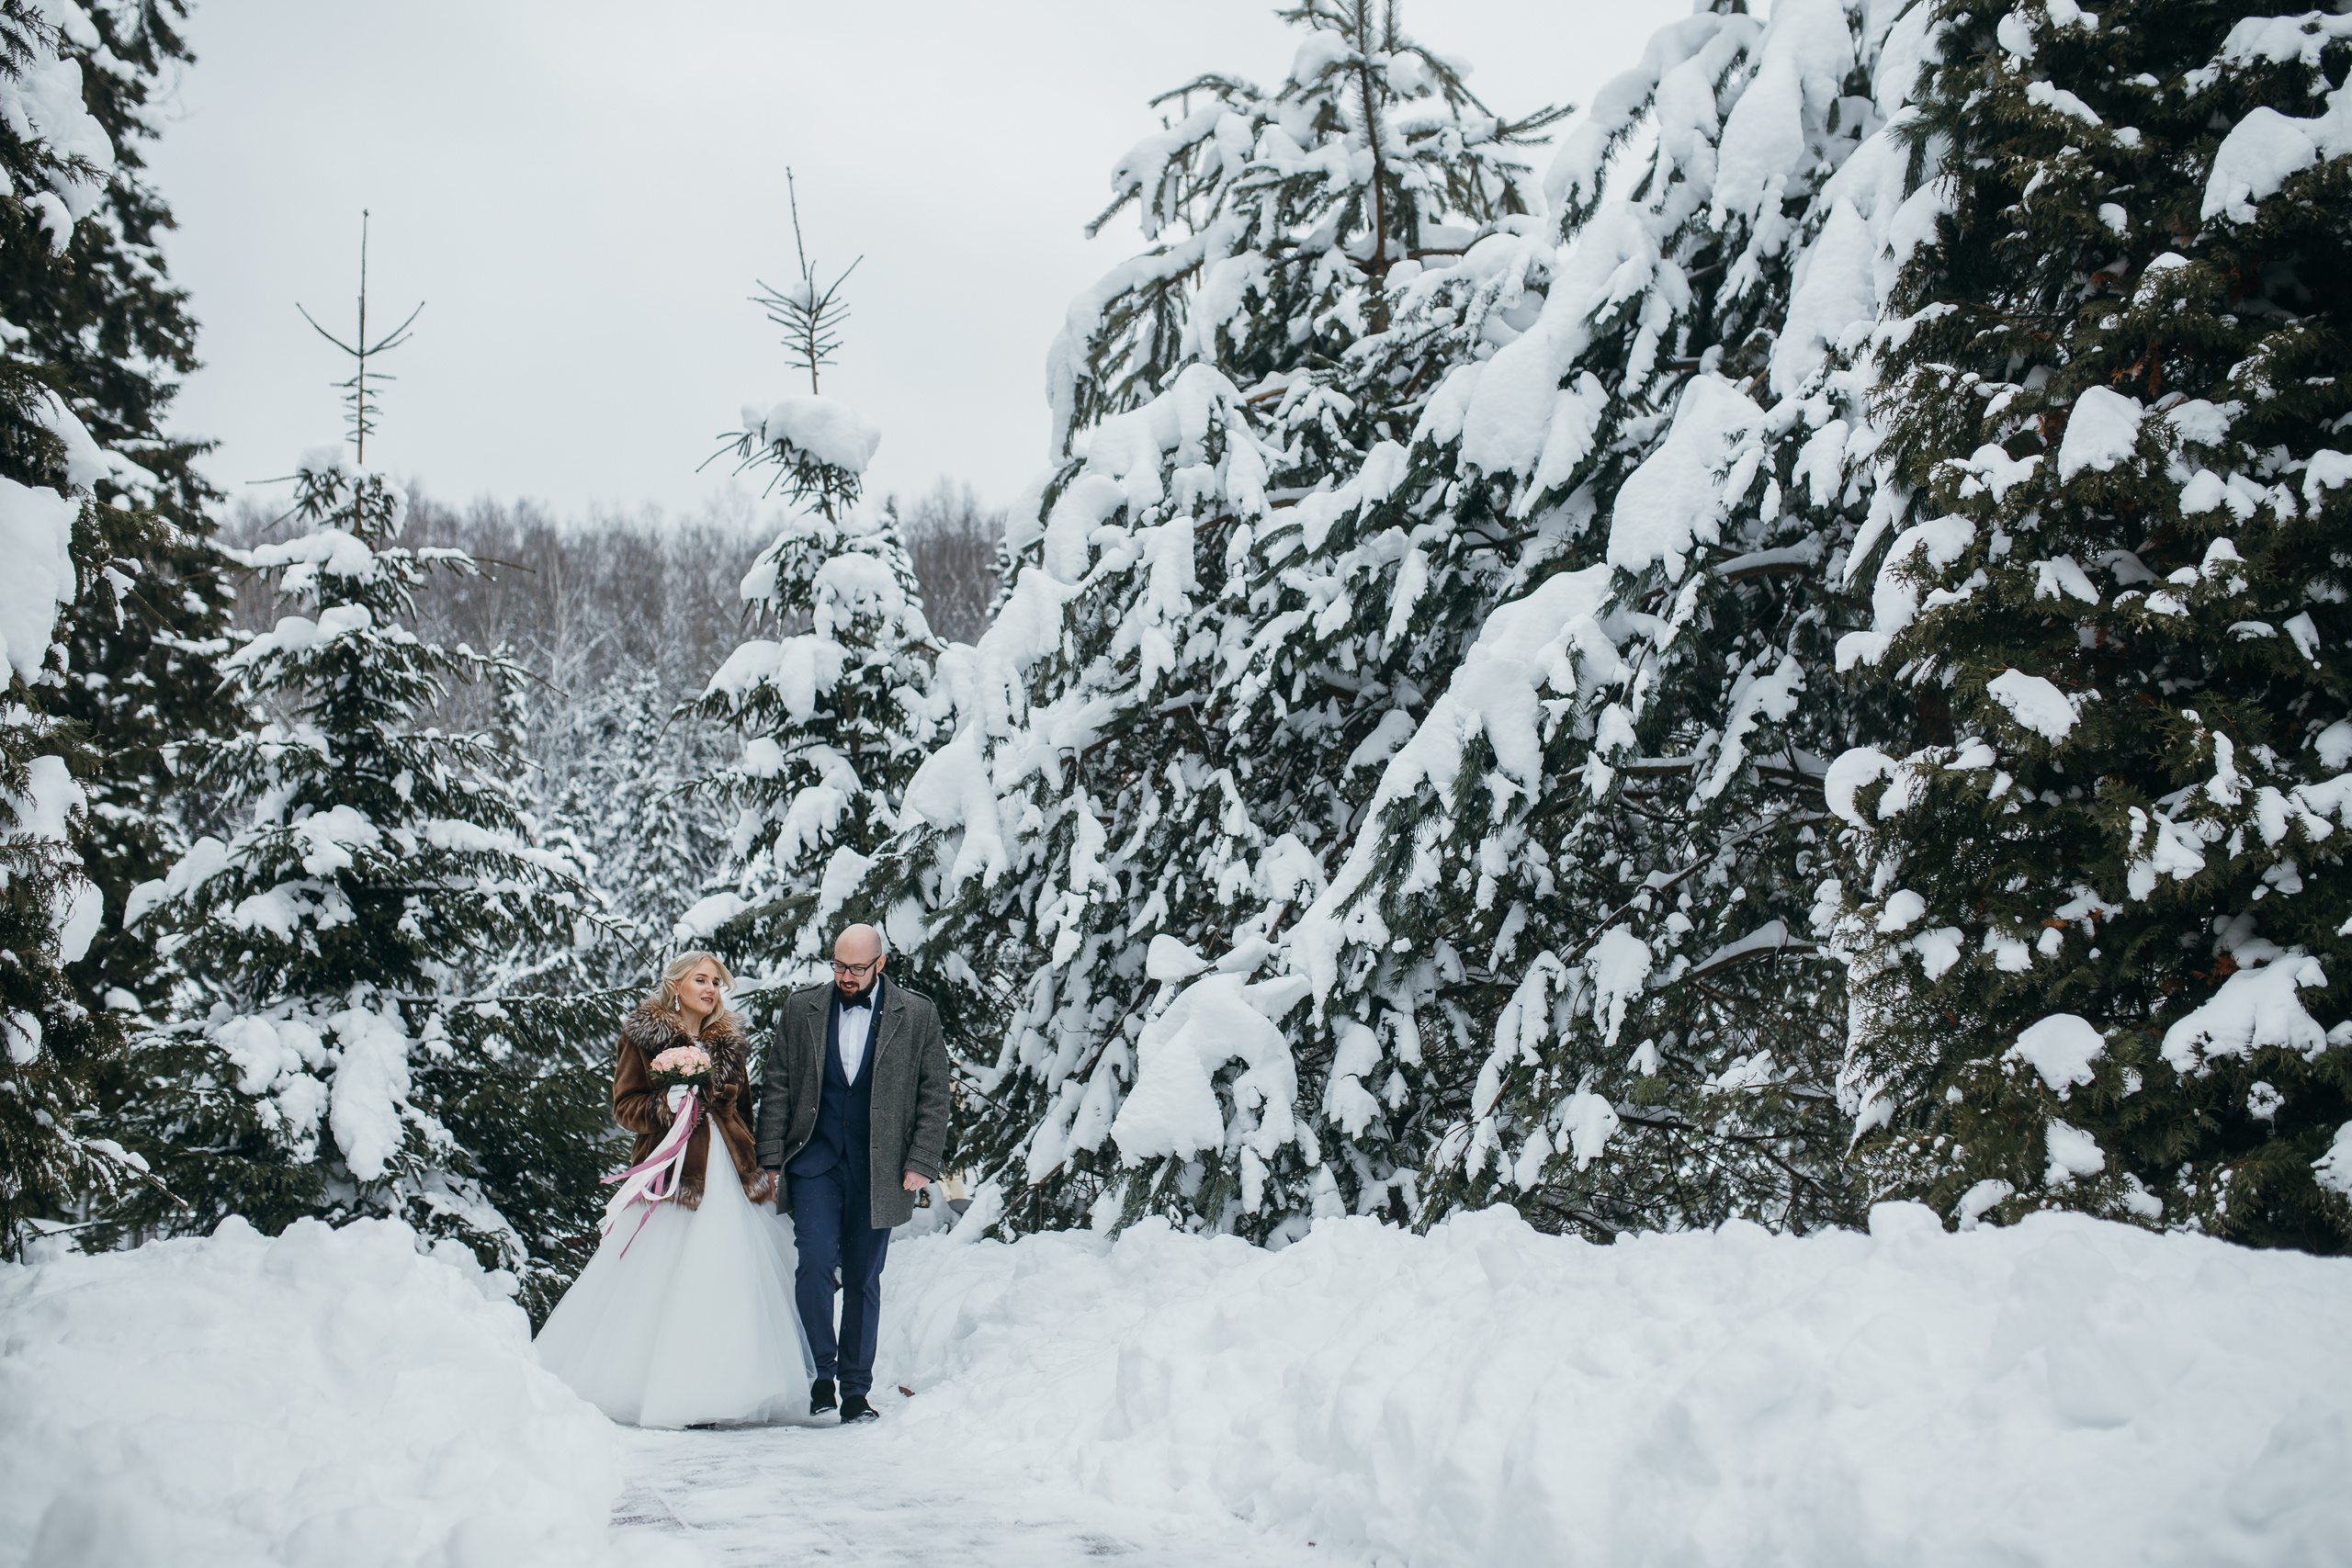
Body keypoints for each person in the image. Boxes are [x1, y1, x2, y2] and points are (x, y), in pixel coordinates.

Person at [535, 952, 811, 1427]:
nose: (711, 989)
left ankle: (732, 1384)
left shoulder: (729, 1042)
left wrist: (759, 1161)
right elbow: (625, 1107)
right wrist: (668, 1103)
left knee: (729, 1271)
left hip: (728, 1168)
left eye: (717, 982)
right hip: (673, 1174)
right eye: (700, 980)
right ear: (675, 984)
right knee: (665, 1273)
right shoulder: (641, 1037)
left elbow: (743, 1109)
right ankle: (662, 1385)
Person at [759, 922, 952, 1424]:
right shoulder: (802, 1008)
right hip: (815, 1161)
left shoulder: (918, 1015)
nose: (846, 976)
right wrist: (771, 1159)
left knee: (865, 1278)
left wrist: (921, 1161)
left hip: (881, 1168)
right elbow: (777, 1083)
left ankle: (855, 1392)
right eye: (839, 966)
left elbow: (935, 1093)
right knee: (815, 1264)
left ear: (880, 963)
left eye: (856, 968)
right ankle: (822, 1372)